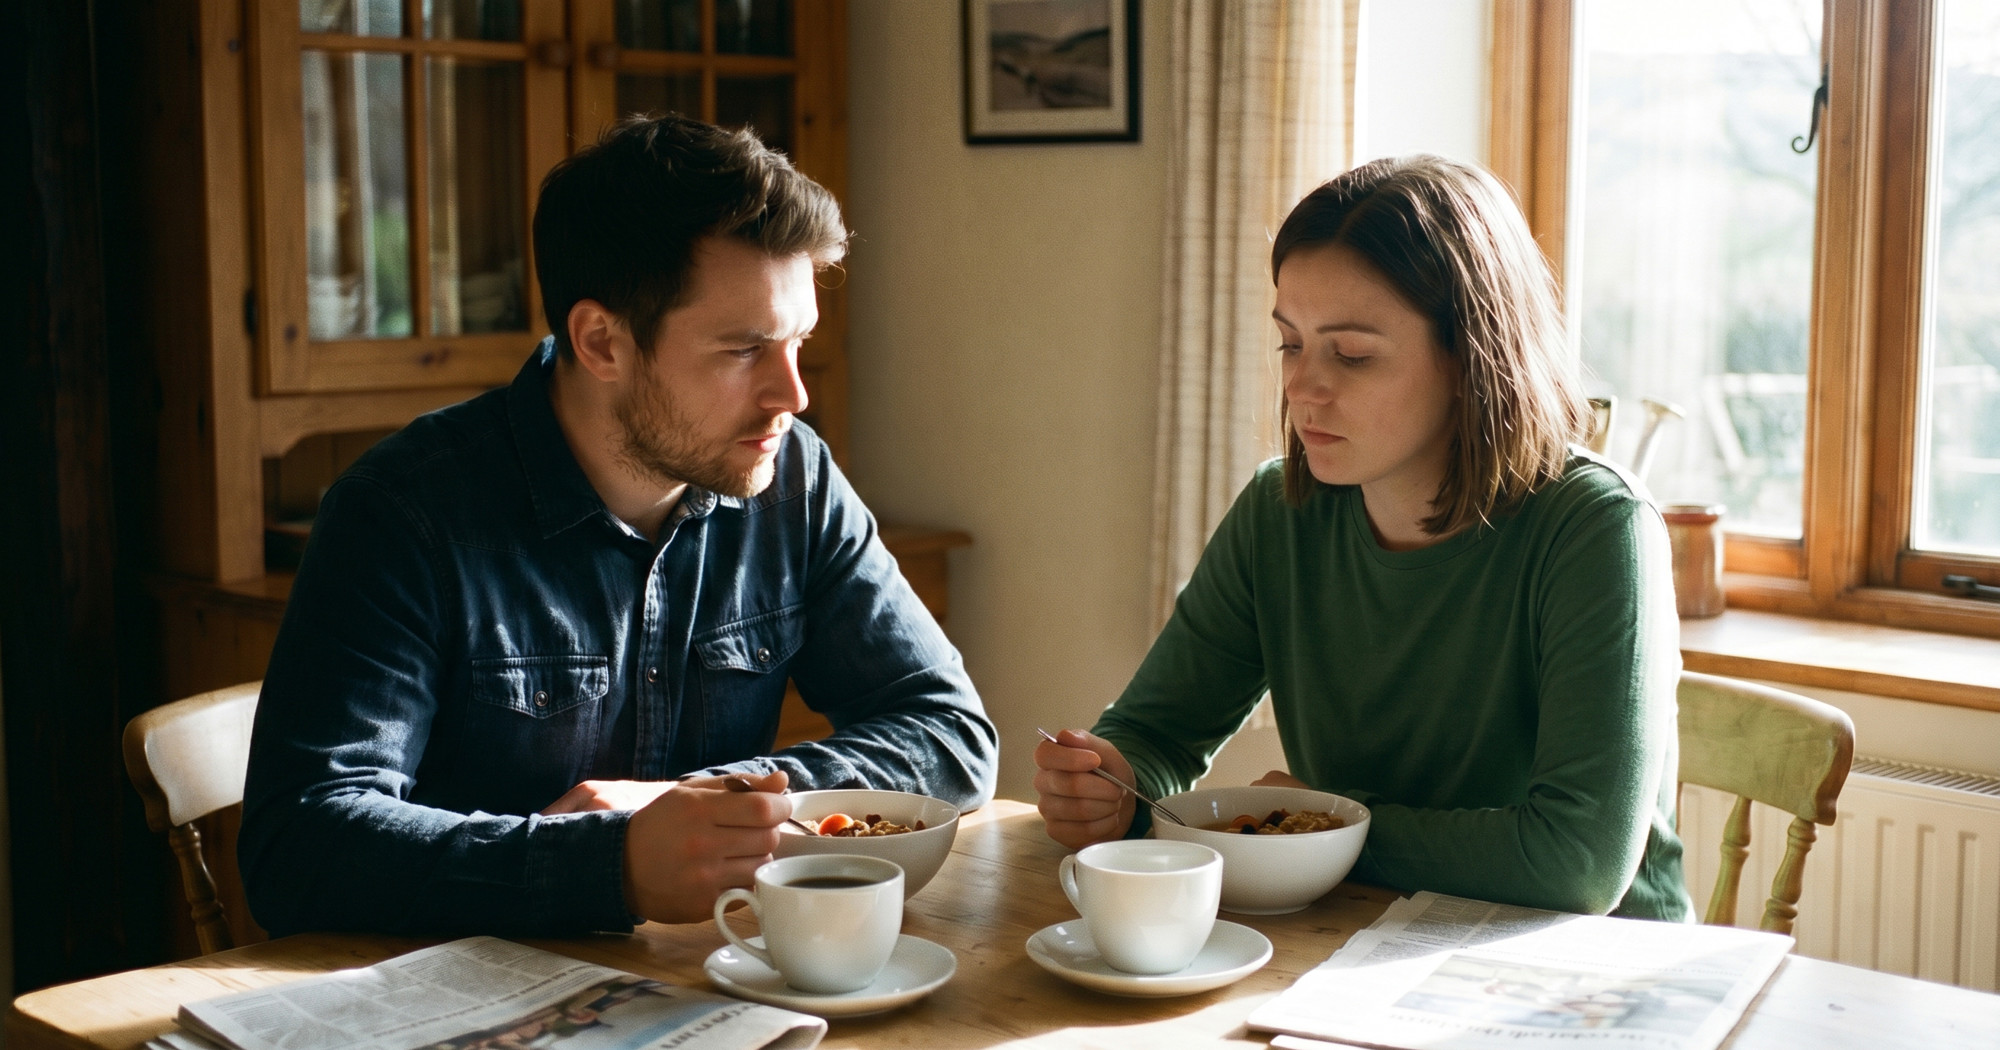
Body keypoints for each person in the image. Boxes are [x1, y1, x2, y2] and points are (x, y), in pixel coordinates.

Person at [241, 114, 998, 937]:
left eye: (799, 342)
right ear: (602, 341)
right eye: (744, 350)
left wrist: (713, 803)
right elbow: (301, 847)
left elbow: (949, 733)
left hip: (706, 986)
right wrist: (611, 866)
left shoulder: (796, 482)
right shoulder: (404, 515)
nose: (793, 395)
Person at [1034, 155, 1689, 920]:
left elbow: (1577, 863)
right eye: (1290, 343)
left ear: (1471, 357)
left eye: (1351, 354)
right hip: (1361, 935)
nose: (1303, 385)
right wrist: (1110, 786)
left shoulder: (1597, 529)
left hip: (1591, 977)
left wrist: (1327, 827)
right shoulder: (1278, 511)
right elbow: (1155, 736)